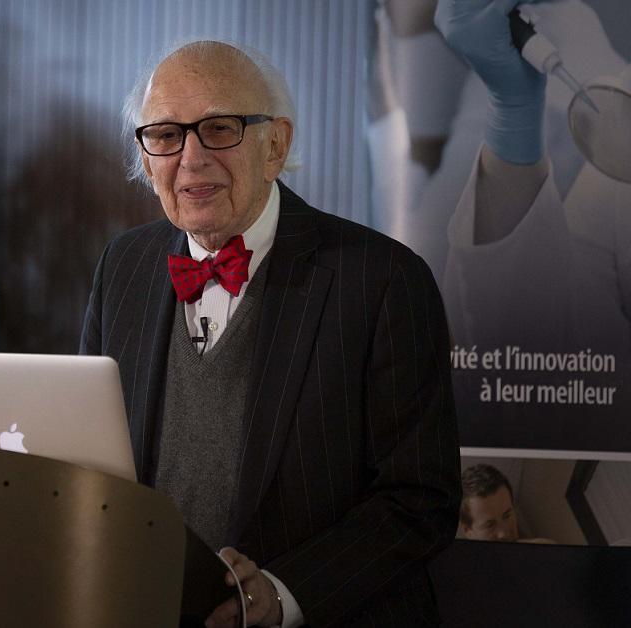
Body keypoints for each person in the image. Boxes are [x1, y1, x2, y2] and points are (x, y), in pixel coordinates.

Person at [80, 40, 461, 627]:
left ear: (276, 144)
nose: (192, 158)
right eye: (165, 135)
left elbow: (419, 500)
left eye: (220, 128)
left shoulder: (383, 280)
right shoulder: (123, 266)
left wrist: (281, 595)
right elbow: (90, 461)